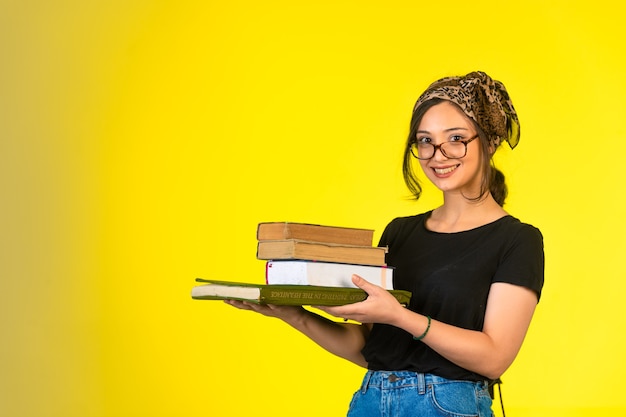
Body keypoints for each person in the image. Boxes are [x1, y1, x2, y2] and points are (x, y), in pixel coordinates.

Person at [225, 70, 544, 417]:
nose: (438, 155)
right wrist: (295, 315)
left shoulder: (517, 240)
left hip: (447, 406)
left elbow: (495, 358)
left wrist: (401, 317)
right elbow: (368, 348)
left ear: (490, 142)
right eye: (425, 140)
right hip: (371, 401)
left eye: (455, 138)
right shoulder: (399, 233)